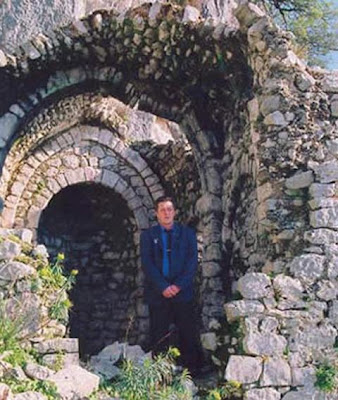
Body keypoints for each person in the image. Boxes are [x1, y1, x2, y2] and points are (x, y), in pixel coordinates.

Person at [140, 195, 204, 376]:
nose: (166, 213)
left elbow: (192, 263)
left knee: (187, 331)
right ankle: (161, 373)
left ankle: (192, 372)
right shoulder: (147, 236)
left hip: (183, 293)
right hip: (158, 293)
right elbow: (147, 263)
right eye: (162, 210)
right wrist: (163, 286)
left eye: (169, 209)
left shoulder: (188, 234)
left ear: (174, 212)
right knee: (159, 333)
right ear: (156, 213)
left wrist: (178, 286)